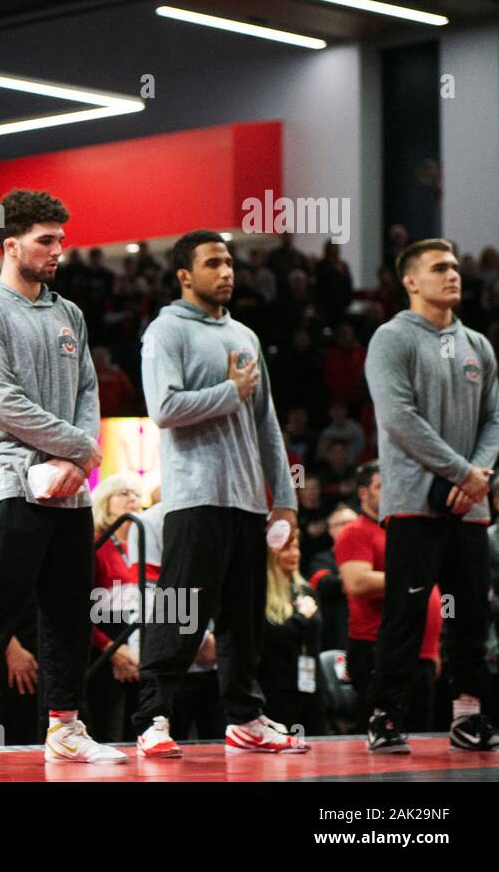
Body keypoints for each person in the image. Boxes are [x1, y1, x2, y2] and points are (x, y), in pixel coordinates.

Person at [0, 189, 119, 769]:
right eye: (46, 240)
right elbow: (2, 402)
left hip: (70, 488)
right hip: (11, 481)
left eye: (62, 238)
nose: (60, 249)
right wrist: (79, 448)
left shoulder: (70, 313)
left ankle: (64, 727)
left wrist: (78, 459)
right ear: (11, 245)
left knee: (69, 609)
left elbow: (89, 391)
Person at [133, 229, 304, 757]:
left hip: (248, 498)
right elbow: (163, 409)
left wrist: (286, 499)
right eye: (213, 263)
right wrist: (230, 391)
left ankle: (246, 717)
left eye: (229, 262)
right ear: (185, 275)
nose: (226, 272)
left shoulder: (247, 337)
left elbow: (267, 424)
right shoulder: (165, 332)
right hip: (195, 496)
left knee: (243, 619)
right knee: (180, 610)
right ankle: (152, 719)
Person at [364, 238, 499, 753]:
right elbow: (399, 420)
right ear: (410, 281)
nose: (453, 275)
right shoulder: (392, 338)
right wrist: (466, 471)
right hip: (413, 503)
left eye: (456, 267)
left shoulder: (478, 345)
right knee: (406, 613)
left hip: (471, 505)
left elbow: (494, 419)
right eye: (440, 268)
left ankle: (467, 717)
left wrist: (477, 475)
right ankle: (385, 715)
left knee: (469, 617)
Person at [336, 461, 441, 730]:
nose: (390, 492)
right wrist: (414, 580)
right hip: (375, 649)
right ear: (363, 493)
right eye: (381, 486)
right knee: (384, 732)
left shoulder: (400, 529)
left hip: (420, 651)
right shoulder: (356, 531)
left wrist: (432, 649)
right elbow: (357, 582)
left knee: (421, 735)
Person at [86, 473, 147, 744]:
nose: (132, 499)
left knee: (138, 735)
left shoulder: (143, 545)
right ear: (105, 502)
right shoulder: (96, 544)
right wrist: (113, 650)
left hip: (138, 649)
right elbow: (78, 610)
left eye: (136, 494)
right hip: (102, 652)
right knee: (110, 735)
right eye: (124, 493)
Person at [258, 527, 325, 738]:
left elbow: (314, 641)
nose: (294, 554)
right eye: (287, 548)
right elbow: (270, 638)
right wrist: (301, 619)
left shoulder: (305, 590)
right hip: (276, 688)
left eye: (296, 547)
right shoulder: (260, 594)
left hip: (310, 684)